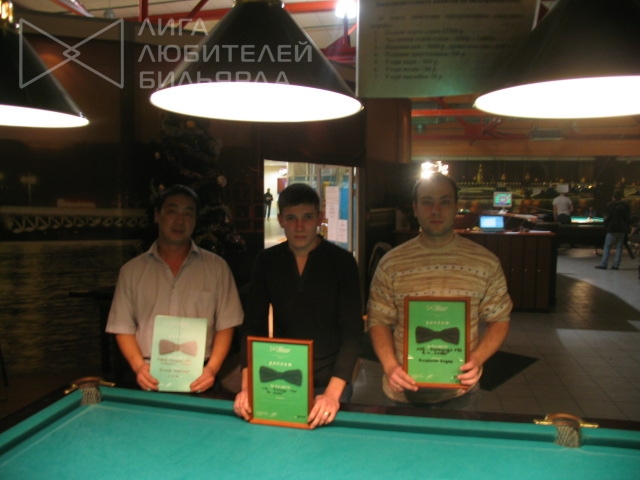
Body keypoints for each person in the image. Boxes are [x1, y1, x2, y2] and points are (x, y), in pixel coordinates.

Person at [367, 173, 511, 409]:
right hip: (400, 394)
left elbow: (499, 319)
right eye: (427, 202)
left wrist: (477, 360)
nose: (436, 210)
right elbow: (378, 320)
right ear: (415, 208)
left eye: (444, 202)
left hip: (461, 393)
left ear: (455, 207)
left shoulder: (485, 263)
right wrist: (390, 366)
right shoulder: (391, 263)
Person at [234, 183, 363, 428]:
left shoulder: (343, 263)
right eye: (292, 218)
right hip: (279, 377)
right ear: (281, 220)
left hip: (330, 381)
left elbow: (353, 334)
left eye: (307, 217)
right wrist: (247, 386)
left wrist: (332, 395)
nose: (300, 226)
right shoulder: (266, 261)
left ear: (319, 218)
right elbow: (252, 327)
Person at [106, 184, 244, 393]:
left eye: (188, 213)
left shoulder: (217, 268)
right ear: (157, 215)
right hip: (146, 374)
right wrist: (139, 367)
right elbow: (122, 326)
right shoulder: (131, 271)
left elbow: (226, 325)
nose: (180, 220)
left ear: (195, 220)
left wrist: (212, 370)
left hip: (201, 375)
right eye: (172, 211)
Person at [596, 190, 631, 270]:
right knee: (619, 247)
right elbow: (628, 217)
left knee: (607, 246)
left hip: (612, 228)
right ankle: (616, 265)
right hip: (622, 228)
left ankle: (604, 264)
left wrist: (605, 224)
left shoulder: (610, 205)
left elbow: (608, 217)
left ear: (613, 197)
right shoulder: (626, 205)